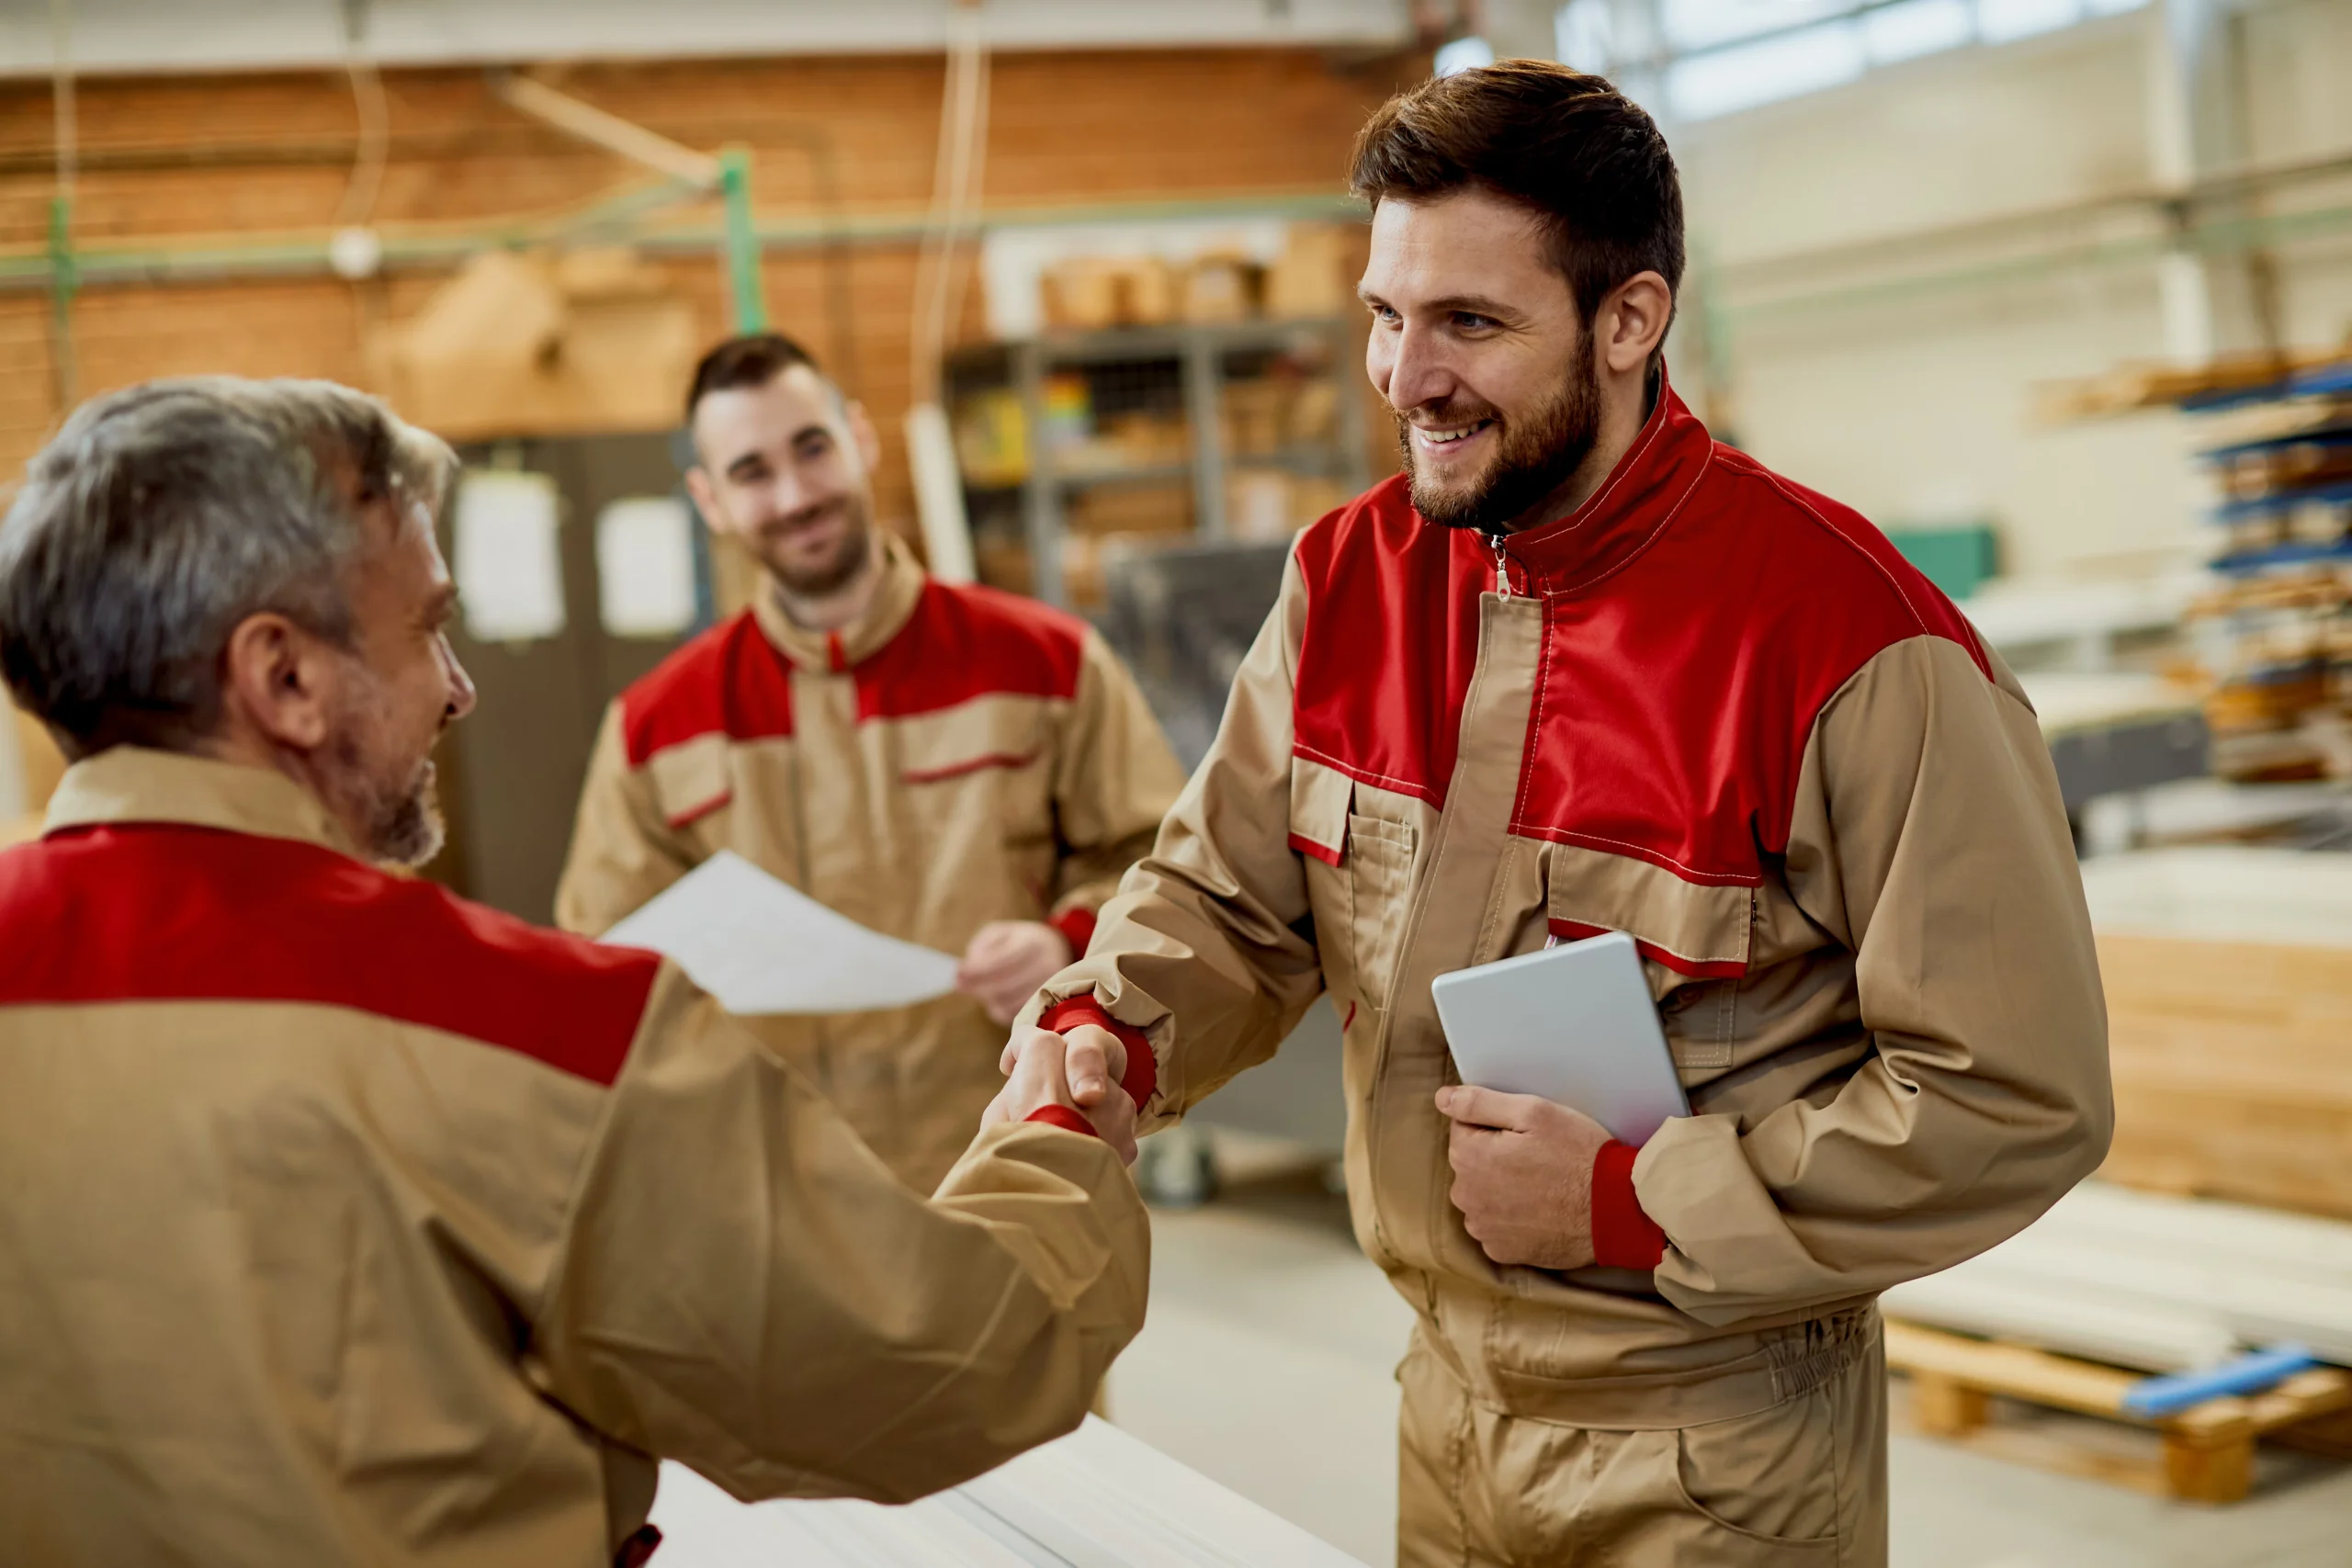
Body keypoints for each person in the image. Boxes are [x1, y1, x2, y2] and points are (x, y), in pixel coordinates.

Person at [999, 62, 2112, 1565]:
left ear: (1628, 320)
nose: (1403, 375)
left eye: (1468, 321)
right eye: (1386, 313)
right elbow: (1228, 897)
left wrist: (1638, 1202)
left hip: (1717, 1451)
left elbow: (2013, 1094)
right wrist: (1113, 1029)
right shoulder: (1352, 579)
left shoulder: (1847, 643)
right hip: (1443, 1411)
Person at [0, 377, 1154, 1568]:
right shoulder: (537, 1031)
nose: (458, 687)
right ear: (284, 679)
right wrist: (1060, 1131)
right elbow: (936, 1364)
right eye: (423, 629)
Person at [556, 333, 1186, 1192]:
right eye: (751, 472)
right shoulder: (655, 725)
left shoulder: (1046, 662)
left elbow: (1167, 866)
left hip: (1015, 1162)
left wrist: (1064, 938)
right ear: (708, 499)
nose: (794, 495)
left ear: (861, 437)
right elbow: (604, 969)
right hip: (780, 1194)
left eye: (812, 448)